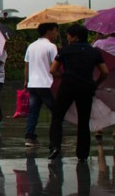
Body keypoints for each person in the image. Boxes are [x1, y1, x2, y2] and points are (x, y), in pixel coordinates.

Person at [49, 24, 108, 161]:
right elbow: (104, 72)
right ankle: (82, 154)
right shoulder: (94, 52)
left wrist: (63, 76)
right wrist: (96, 83)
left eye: (69, 36)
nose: (68, 38)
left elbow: (53, 70)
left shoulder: (65, 50)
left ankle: (55, 146)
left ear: (75, 37)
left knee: (58, 116)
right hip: (86, 87)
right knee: (83, 120)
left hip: (68, 85)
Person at [25, 23, 60, 147]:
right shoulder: (51, 47)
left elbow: (27, 64)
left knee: (33, 111)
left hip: (33, 84)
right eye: (56, 30)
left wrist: (26, 81)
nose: (57, 33)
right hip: (46, 84)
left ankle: (30, 137)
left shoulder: (31, 46)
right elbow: (54, 66)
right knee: (56, 112)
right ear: (48, 31)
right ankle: (56, 138)